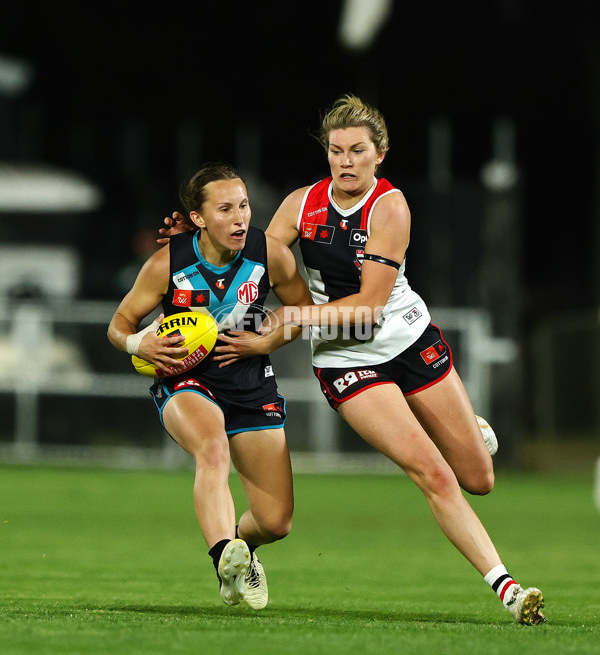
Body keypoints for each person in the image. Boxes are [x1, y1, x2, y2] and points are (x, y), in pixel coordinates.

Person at [158, 96, 545, 625]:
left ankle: (464, 430)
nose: (345, 161)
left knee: (479, 477)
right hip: (346, 359)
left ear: (379, 154)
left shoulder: (390, 207)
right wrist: (199, 243)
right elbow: (259, 264)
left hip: (407, 339)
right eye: (336, 151)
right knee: (432, 472)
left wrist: (289, 323)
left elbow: (367, 306)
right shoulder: (301, 204)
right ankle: (508, 588)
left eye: (357, 151)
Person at [108, 162, 313, 610]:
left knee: (276, 521)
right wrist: (140, 343)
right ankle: (224, 558)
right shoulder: (169, 261)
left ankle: (241, 548)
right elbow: (119, 324)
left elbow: (301, 307)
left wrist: (267, 339)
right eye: (225, 209)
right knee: (212, 448)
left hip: (250, 380)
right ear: (198, 218)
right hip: (186, 379)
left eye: (243, 205)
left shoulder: (270, 253)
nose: (240, 217)